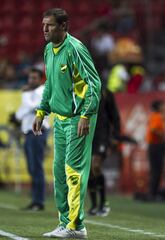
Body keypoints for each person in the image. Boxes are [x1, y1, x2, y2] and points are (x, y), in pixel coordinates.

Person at [32, 8, 101, 239]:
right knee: (59, 173)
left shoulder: (75, 49)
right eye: (43, 25)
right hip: (59, 120)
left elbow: (94, 84)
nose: (44, 29)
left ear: (63, 26)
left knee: (73, 171)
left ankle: (77, 227)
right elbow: (49, 84)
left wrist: (86, 115)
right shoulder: (49, 50)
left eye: (49, 25)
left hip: (77, 120)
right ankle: (64, 223)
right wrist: (41, 111)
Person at [15, 68, 50, 211]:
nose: (31, 81)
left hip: (39, 131)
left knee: (36, 166)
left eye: (34, 78)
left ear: (40, 79)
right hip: (29, 132)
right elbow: (19, 115)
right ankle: (35, 199)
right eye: (30, 78)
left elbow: (35, 107)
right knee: (32, 167)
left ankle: (39, 201)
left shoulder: (42, 92)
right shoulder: (30, 93)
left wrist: (25, 95)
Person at [88, 86, 120, 217]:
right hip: (86, 134)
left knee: (96, 166)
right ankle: (94, 205)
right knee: (89, 170)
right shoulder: (81, 89)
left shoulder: (105, 92)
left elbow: (115, 115)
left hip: (102, 135)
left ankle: (103, 203)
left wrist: (115, 136)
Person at [146, 100, 165, 201]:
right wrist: (162, 136)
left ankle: (154, 192)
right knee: (156, 170)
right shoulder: (156, 116)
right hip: (156, 145)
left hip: (155, 145)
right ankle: (153, 193)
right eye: (162, 105)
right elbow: (153, 129)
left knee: (156, 170)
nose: (164, 107)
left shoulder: (156, 116)